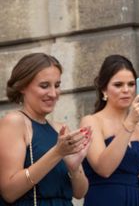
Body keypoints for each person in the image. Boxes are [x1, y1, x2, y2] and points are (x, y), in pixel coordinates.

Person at [0, 53, 90, 206]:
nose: (54, 94)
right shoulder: (15, 122)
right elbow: (9, 192)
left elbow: (80, 193)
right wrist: (57, 153)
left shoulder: (60, 128)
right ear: (22, 86)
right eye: (44, 86)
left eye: (57, 85)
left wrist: (74, 168)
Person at [80, 55, 139, 206]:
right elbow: (104, 168)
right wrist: (129, 124)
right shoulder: (91, 121)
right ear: (104, 90)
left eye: (131, 84)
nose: (126, 90)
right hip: (106, 199)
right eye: (118, 85)